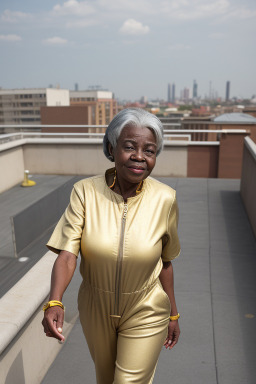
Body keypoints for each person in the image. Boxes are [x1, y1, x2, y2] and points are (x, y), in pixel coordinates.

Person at [42, 108, 181, 384]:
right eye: (129, 146)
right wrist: (54, 301)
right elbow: (68, 254)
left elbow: (165, 261)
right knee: (106, 380)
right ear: (111, 147)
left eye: (149, 150)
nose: (139, 156)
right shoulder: (85, 192)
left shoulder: (165, 198)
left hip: (146, 306)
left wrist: (173, 314)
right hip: (95, 308)